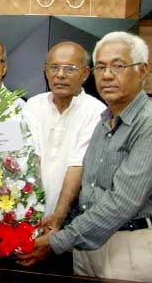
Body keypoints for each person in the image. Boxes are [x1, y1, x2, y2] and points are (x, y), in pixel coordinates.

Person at [18, 32, 152, 283]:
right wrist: (61, 218)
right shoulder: (104, 121)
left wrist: (58, 241)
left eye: (118, 66)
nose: (107, 75)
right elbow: (91, 188)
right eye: (101, 67)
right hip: (90, 244)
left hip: (138, 244)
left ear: (142, 71)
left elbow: (123, 201)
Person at [24, 42, 105, 230]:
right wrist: (28, 211)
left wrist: (58, 216)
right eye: (54, 67)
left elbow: (78, 165)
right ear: (46, 71)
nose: (60, 75)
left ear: (85, 74)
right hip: (29, 213)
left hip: (73, 218)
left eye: (70, 68)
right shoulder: (34, 105)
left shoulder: (97, 112)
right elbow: (31, 158)